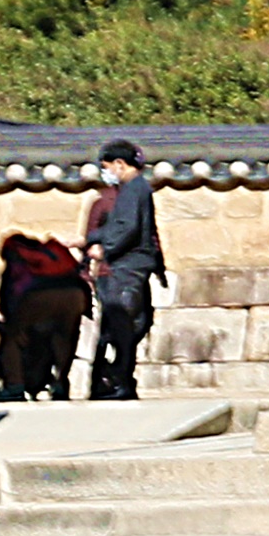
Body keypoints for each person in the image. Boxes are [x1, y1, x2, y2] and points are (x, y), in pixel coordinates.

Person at [83, 141, 168, 404]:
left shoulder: (133, 190)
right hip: (135, 265)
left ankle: (119, 379)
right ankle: (117, 379)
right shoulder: (137, 189)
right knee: (127, 324)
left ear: (120, 164)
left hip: (127, 267)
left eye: (107, 167)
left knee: (121, 324)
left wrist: (104, 248)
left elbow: (128, 226)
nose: (107, 173)